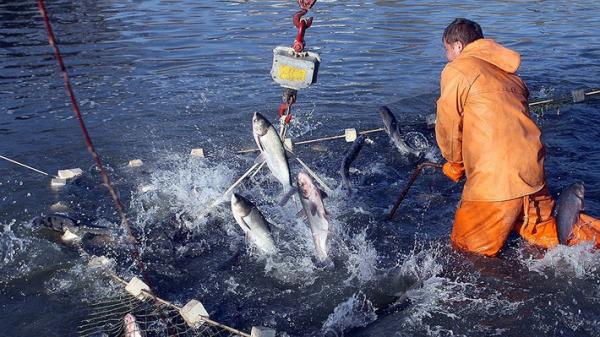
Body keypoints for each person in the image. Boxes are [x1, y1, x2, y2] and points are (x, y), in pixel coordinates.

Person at [435, 18, 600, 257]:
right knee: (552, 232)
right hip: (532, 174)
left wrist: (454, 162)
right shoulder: (511, 77)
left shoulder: (457, 69)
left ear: (458, 46)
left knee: (465, 254)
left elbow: (449, 125)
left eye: (447, 50)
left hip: (494, 183)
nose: (447, 56)